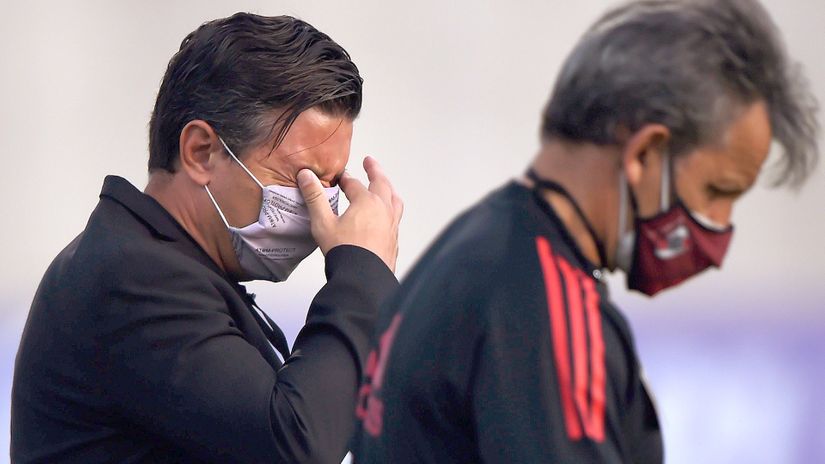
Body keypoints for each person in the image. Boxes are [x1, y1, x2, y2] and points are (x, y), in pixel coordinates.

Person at [353, 0, 818, 462]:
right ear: (644, 154)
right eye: (717, 190)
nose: (718, 242)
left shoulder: (470, 248)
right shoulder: (546, 309)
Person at [11, 13, 403, 464]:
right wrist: (362, 272)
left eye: (331, 184)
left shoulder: (169, 270)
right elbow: (296, 443)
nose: (321, 211)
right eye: (302, 180)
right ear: (201, 152)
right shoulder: (135, 277)